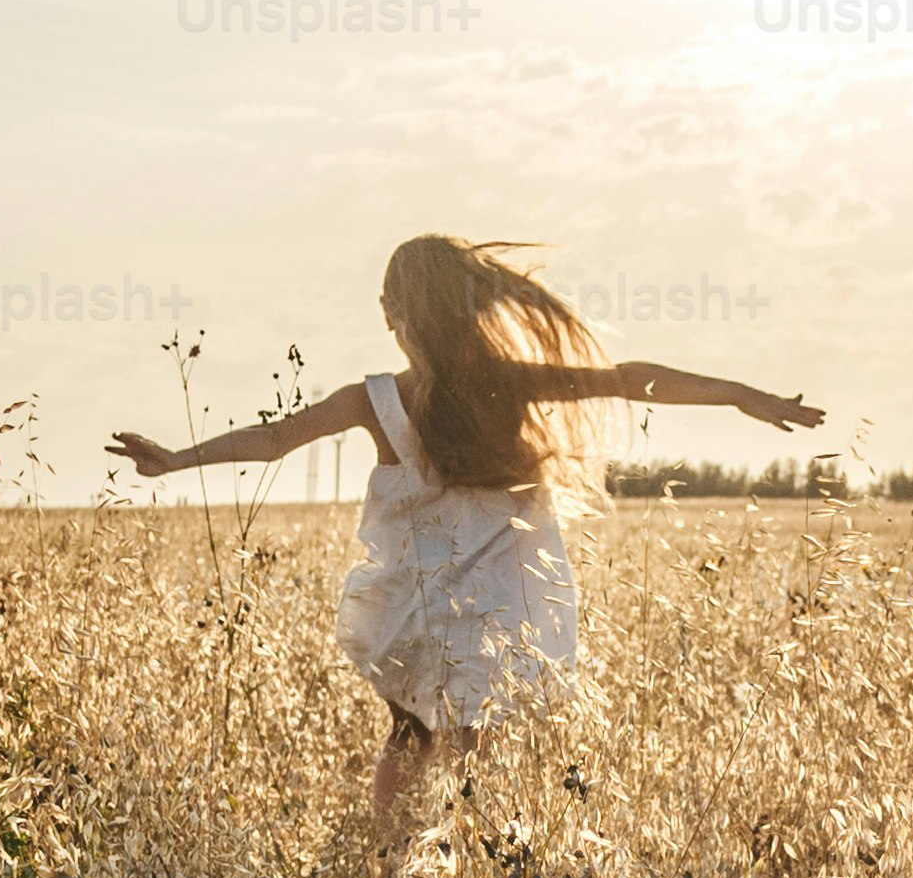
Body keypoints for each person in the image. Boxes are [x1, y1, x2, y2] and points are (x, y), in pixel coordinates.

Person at [108, 235, 824, 833]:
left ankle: (393, 862)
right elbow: (627, 379)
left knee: (408, 735)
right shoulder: (505, 382)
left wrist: (176, 459)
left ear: (396, 312)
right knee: (471, 746)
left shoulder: (375, 398)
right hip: (499, 599)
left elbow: (274, 440)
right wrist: (739, 395)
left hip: (409, 598)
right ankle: (452, 873)